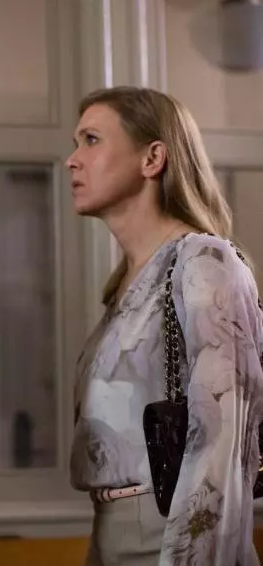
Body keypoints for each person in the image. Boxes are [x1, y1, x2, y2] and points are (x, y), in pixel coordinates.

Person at [66, 86, 263, 565]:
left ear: (152, 158)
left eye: (91, 140)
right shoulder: (125, 285)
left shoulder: (204, 262)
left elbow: (221, 445)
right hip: (109, 534)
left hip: (167, 536)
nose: (72, 160)